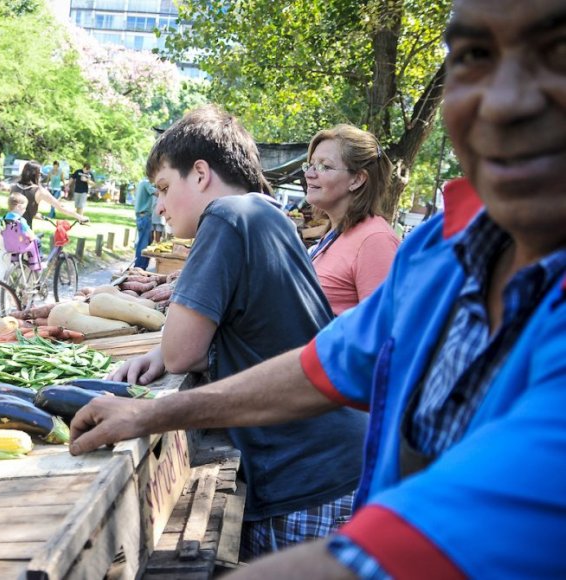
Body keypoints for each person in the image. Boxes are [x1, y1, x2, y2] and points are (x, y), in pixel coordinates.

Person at [70, 0, 566, 576]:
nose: (504, 102)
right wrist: (149, 416)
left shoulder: (264, 223)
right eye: (476, 54)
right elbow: (322, 367)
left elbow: (410, 553)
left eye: (558, 52)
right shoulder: (439, 250)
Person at [105, 106, 367, 559]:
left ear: (201, 173)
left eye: (165, 188)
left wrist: (169, 352)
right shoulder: (267, 214)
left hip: (307, 474)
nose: (161, 205)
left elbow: (182, 351)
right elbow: (258, 334)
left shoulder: (226, 217)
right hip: (339, 460)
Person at [303, 124, 400, 314]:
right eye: (310, 164)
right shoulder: (336, 232)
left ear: (357, 180)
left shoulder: (375, 240)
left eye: (324, 166)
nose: (309, 174)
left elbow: (382, 331)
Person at [11, 161, 87, 228]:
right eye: (39, 174)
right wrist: (79, 217)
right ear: (36, 174)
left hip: (8, 229)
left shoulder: (14, 187)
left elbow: (17, 209)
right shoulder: (39, 191)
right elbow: (60, 207)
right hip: (24, 233)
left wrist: (34, 214)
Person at [133, 177, 155, 269]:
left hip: (144, 216)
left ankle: (142, 266)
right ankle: (139, 267)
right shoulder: (146, 183)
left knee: (147, 242)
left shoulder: (142, 182)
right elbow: (157, 192)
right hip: (144, 216)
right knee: (143, 243)